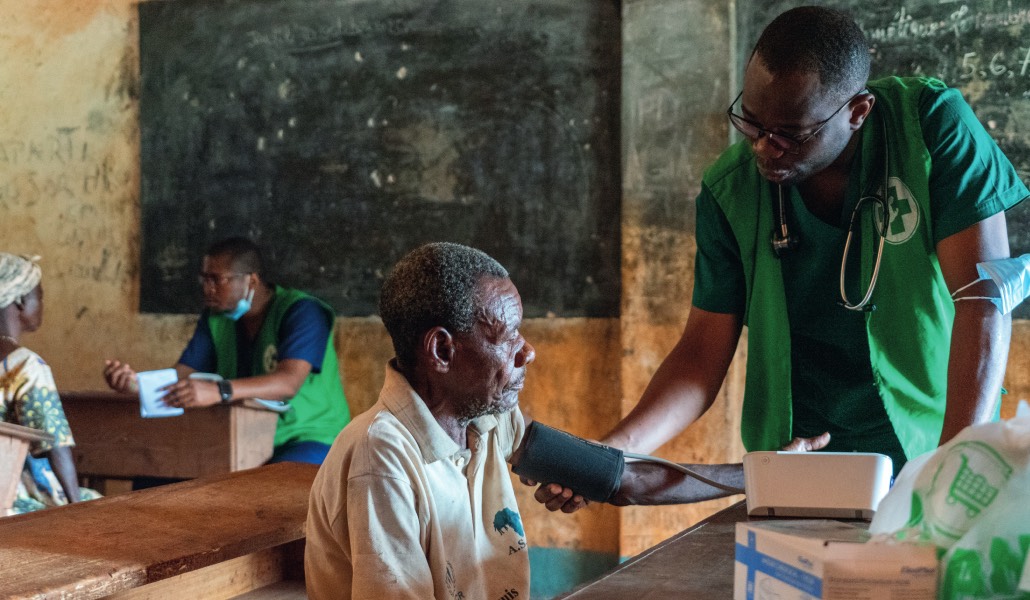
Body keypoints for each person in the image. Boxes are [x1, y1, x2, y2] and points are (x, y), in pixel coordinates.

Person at [536, 6, 1028, 512]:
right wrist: (611, 452)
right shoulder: (730, 192)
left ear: (857, 112)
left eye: (791, 133)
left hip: (931, 437)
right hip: (800, 458)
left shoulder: (929, 127)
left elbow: (983, 298)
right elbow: (700, 356)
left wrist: (953, 464)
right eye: (750, 122)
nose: (765, 149)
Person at [304, 241, 745, 599]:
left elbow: (622, 479)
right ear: (441, 351)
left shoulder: (489, 419)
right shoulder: (382, 456)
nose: (527, 351)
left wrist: (762, 476)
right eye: (506, 334)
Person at [104, 237, 350, 465]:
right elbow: (182, 375)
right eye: (204, 279)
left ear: (251, 280)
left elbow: (288, 383)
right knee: (158, 480)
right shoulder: (217, 318)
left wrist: (219, 391)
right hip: (245, 436)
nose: (207, 289)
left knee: (268, 490)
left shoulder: (302, 312)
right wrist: (138, 386)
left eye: (217, 280)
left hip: (311, 437)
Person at [1, 253, 100, 514]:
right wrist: (76, 505)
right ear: (21, 300)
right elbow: (55, 444)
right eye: (40, 297)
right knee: (103, 507)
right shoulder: (25, 365)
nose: (42, 304)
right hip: (10, 496)